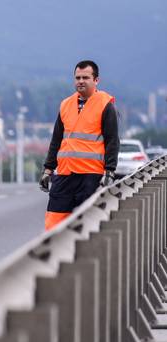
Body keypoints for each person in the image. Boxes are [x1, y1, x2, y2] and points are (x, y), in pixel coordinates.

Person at [39, 60, 118, 230]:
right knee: (54, 222)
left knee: (88, 224)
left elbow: (112, 141)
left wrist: (110, 171)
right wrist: (48, 170)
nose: (80, 81)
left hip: (91, 176)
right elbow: (56, 140)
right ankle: (53, 247)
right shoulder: (65, 105)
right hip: (65, 174)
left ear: (96, 80)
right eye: (77, 78)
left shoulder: (105, 105)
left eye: (85, 78)